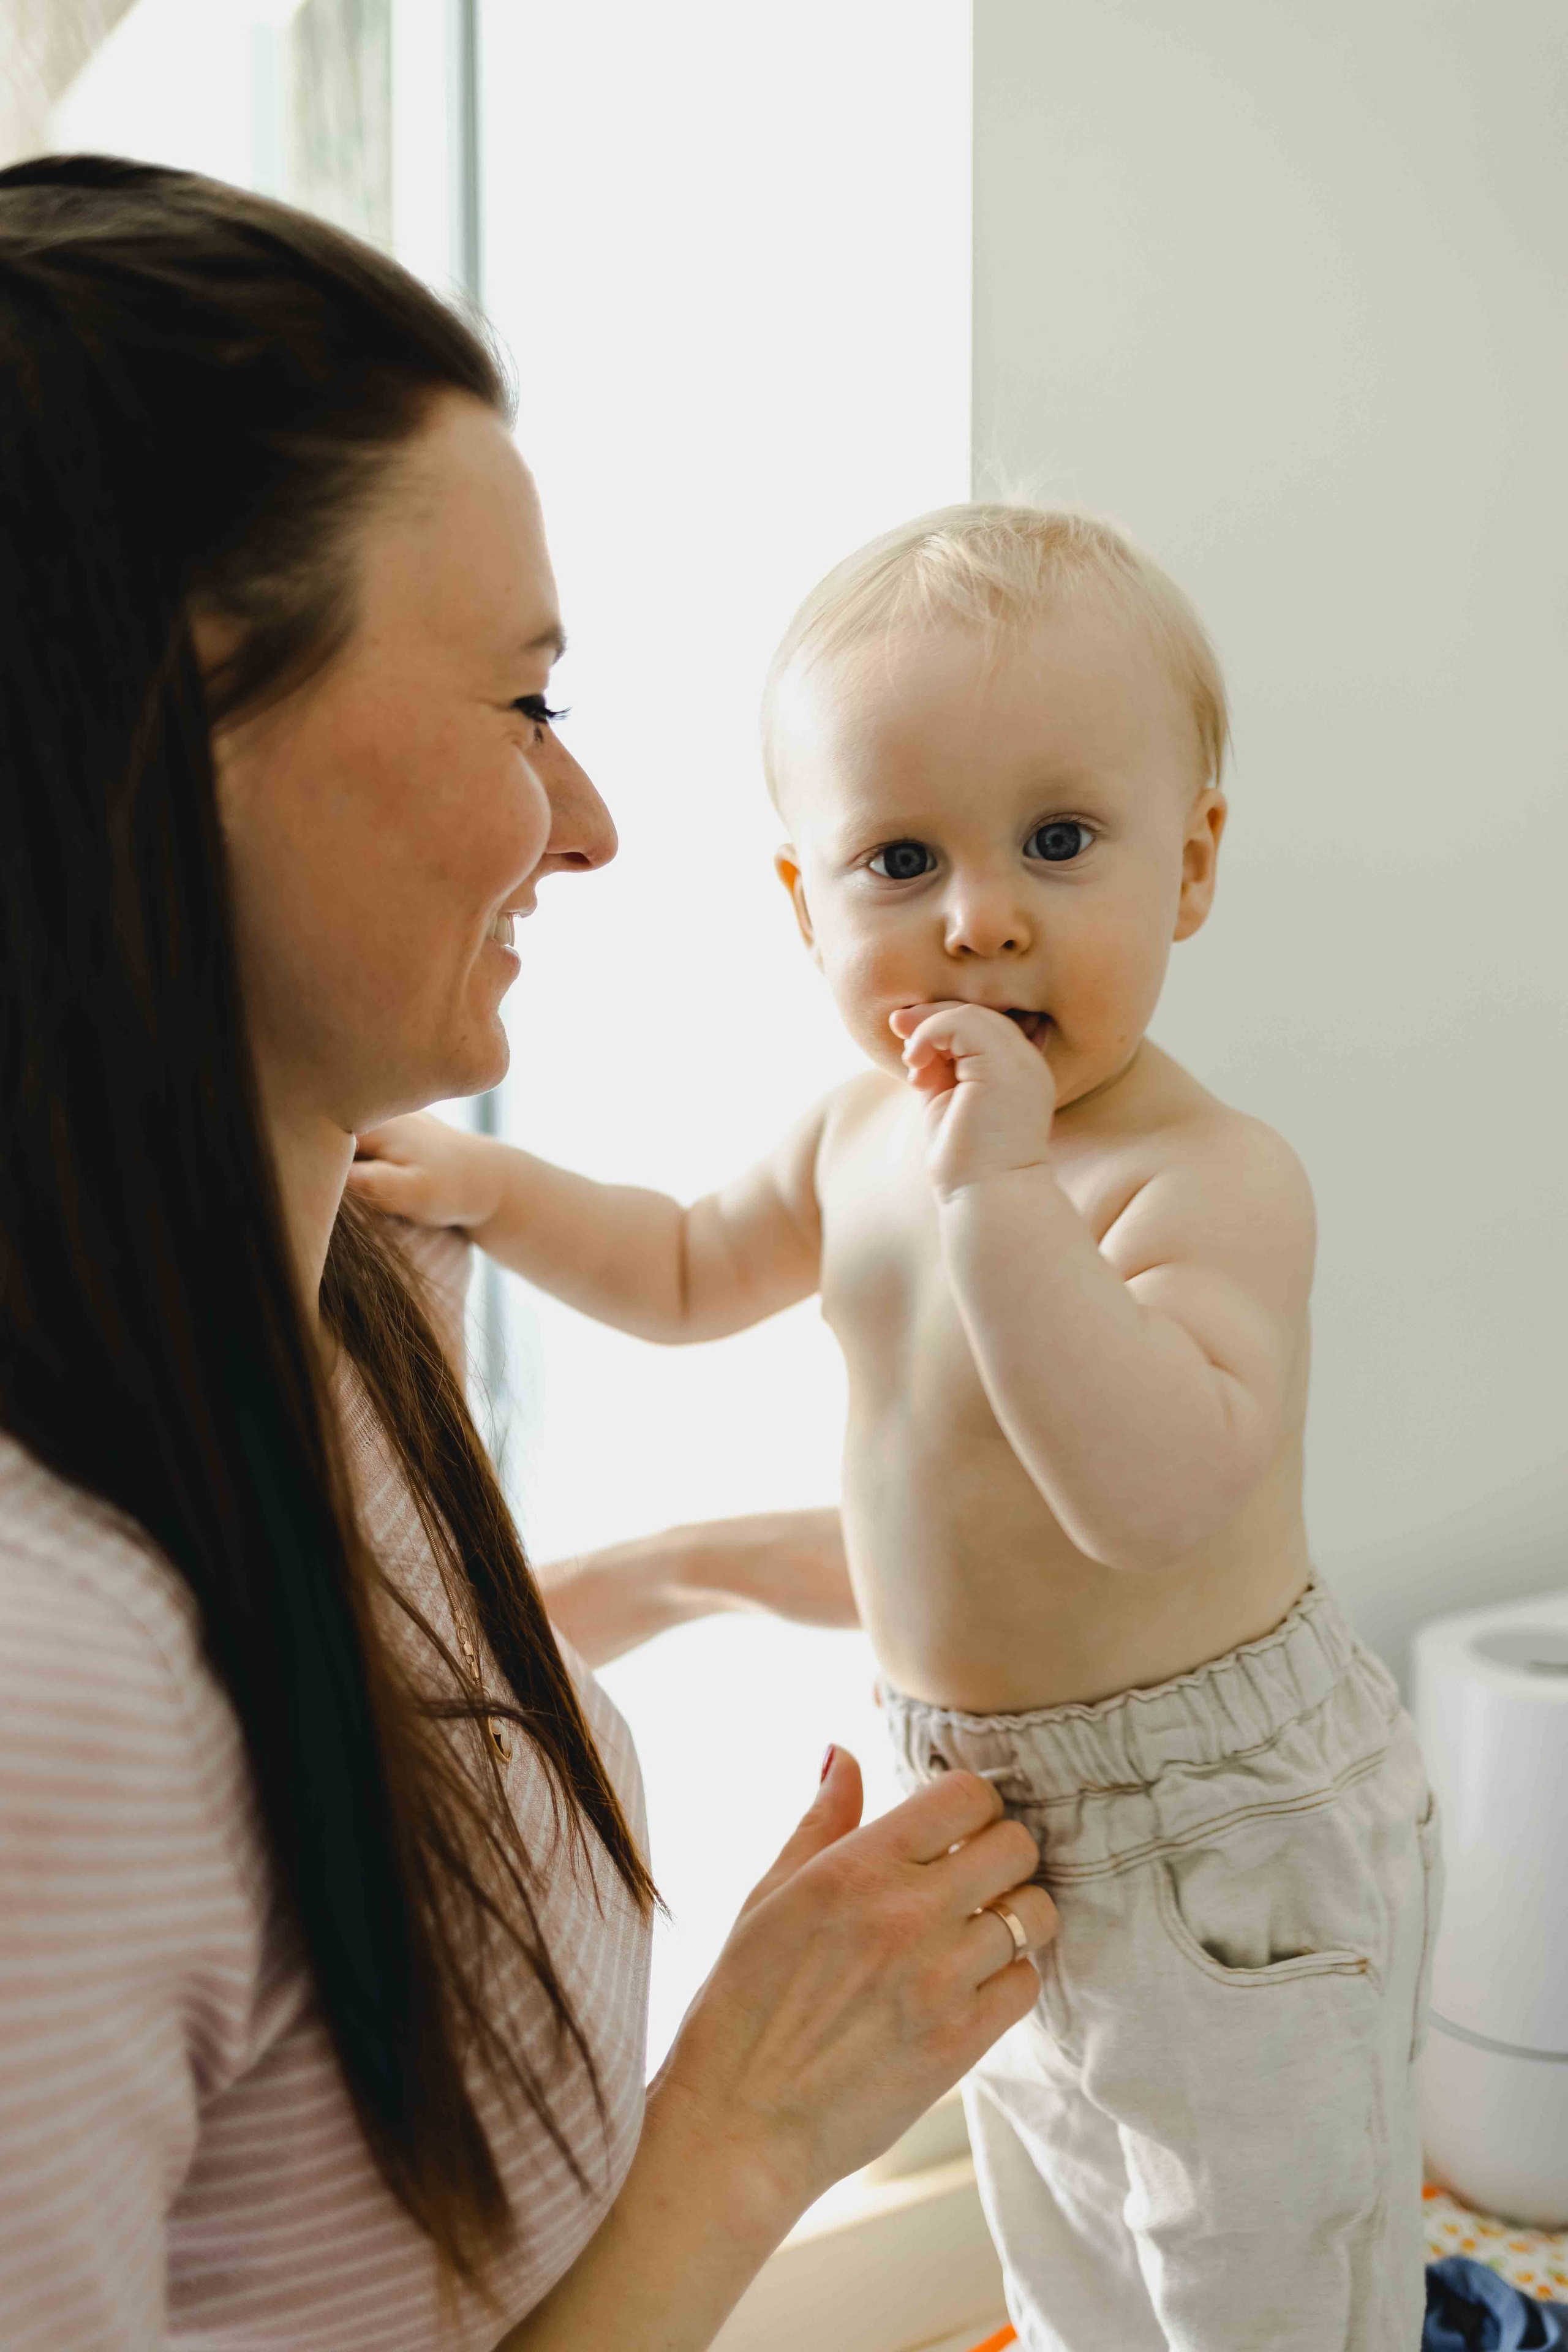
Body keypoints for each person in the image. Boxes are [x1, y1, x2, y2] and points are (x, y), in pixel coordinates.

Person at [0, 157, 1060, 2352]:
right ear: (172, 739)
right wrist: (751, 2123)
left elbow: (300, 1745)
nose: (586, 826)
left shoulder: (355, 1298)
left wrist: (663, 1577)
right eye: (526, 706)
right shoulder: (46, 1705)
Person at [354, 502, 1446, 2350]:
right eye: (900, 858)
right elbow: (692, 1268)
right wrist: (495, 1188)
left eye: (1062, 841)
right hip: (986, 1787)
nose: (981, 911)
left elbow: (1154, 1497)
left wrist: (1004, 1191)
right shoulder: (861, 1135)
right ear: (806, 904)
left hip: (1220, 1829)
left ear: (1189, 869)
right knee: (1068, 2222)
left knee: (1254, 2266)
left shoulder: (1204, 1180)